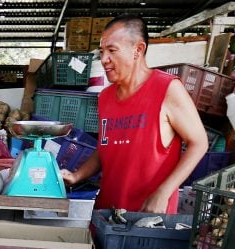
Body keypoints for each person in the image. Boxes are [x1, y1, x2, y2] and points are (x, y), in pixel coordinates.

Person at [61, 15, 208, 213]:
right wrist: (76, 176)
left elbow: (199, 143)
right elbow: (106, 146)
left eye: (112, 51)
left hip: (147, 217)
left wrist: (164, 193)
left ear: (138, 50)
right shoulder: (105, 97)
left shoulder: (167, 88)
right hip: (106, 213)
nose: (104, 59)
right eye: (102, 52)